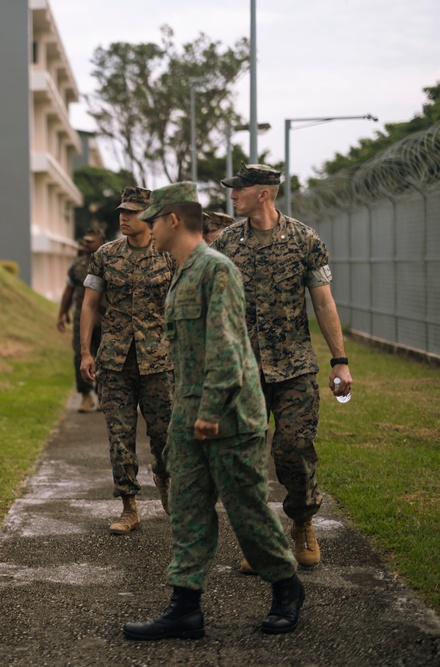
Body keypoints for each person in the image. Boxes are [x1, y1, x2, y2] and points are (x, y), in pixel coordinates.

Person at [123, 182, 303, 641]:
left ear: (173, 220)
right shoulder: (183, 270)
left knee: (247, 510)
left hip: (226, 415)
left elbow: (227, 344)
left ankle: (286, 588)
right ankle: (184, 608)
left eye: (153, 219)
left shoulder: (215, 269)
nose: (147, 228)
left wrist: (211, 409)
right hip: (190, 414)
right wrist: (189, 415)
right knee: (187, 510)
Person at [211, 164, 352, 571]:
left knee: (293, 449)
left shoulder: (305, 240)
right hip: (244, 371)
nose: (233, 196)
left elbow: (323, 302)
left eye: (240, 190)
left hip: (294, 368)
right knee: (247, 458)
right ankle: (261, 543)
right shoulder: (226, 243)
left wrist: (340, 361)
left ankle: (303, 522)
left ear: (264, 194)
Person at [79, 186, 175, 533]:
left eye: (131, 212)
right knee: (119, 436)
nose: (124, 217)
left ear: (149, 217)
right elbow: (89, 304)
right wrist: (86, 352)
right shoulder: (105, 255)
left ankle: (165, 478)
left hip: (160, 361)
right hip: (116, 360)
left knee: (164, 437)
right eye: (122, 211)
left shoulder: (168, 255)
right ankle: (129, 507)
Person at [57, 229, 106, 413]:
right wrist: (62, 313)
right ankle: (85, 396)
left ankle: (102, 395)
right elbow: (68, 290)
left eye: (90, 242)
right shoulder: (77, 265)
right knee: (81, 355)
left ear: (101, 241)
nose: (86, 245)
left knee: (104, 357)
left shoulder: (110, 260)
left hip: (106, 318)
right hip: (81, 319)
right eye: (84, 242)